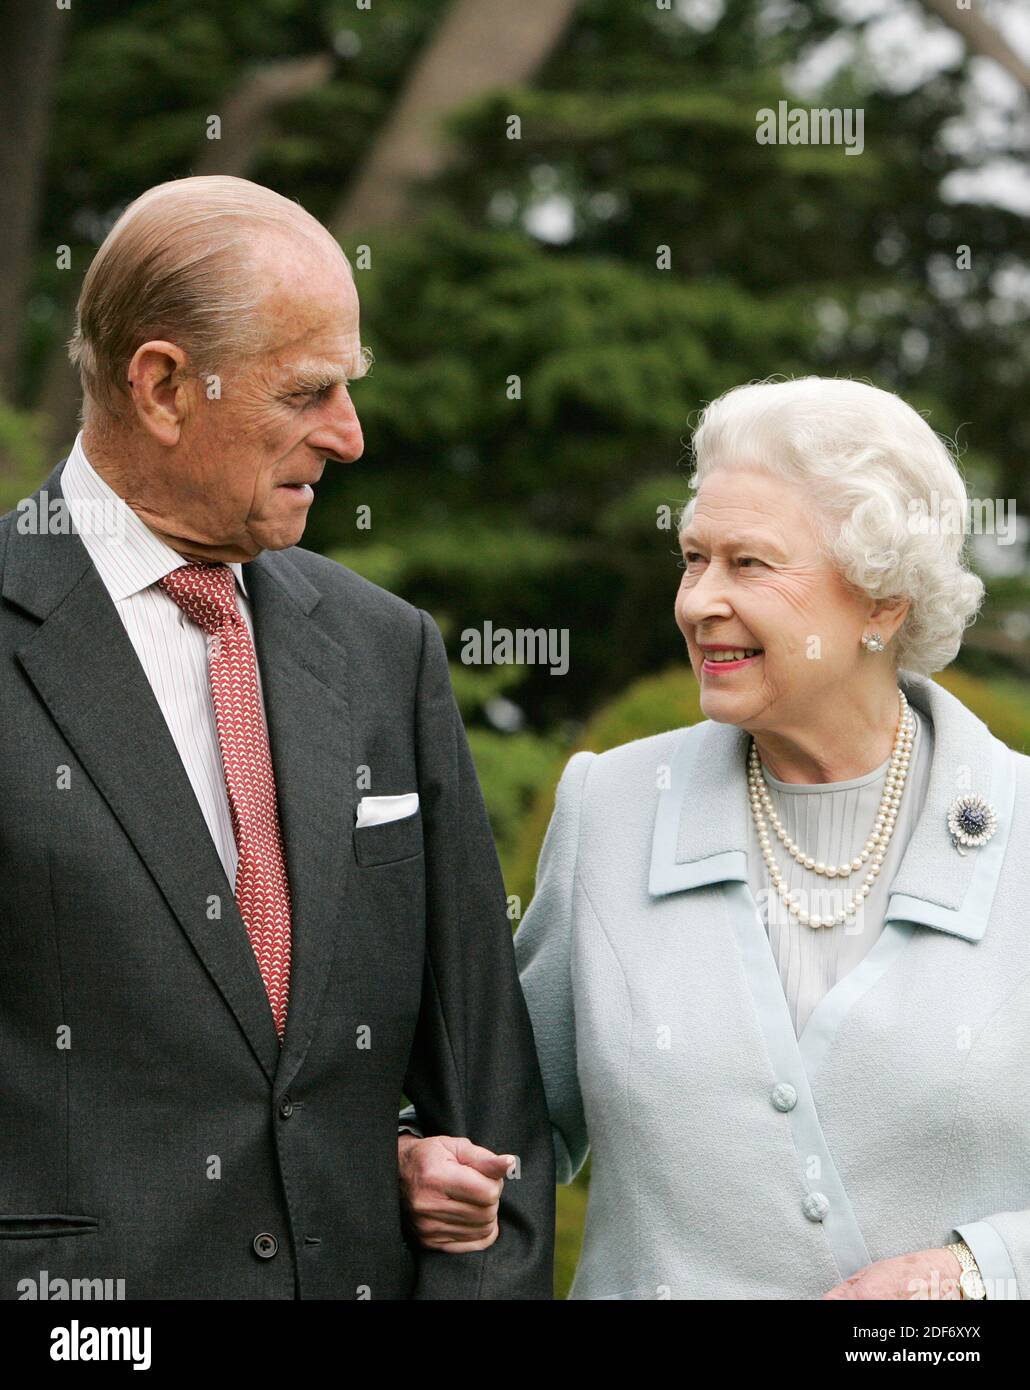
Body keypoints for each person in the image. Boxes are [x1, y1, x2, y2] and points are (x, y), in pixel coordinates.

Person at [0, 175, 554, 1300]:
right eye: (307, 392)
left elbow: (489, 1097)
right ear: (162, 385)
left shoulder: (384, 649)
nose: (348, 436)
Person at [401, 376, 1030, 1300]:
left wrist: (976, 1275)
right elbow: (505, 1116)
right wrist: (421, 1158)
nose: (699, 603)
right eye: (694, 560)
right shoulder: (612, 806)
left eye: (749, 564)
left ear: (883, 603)